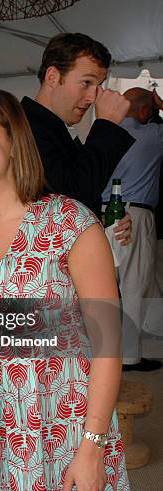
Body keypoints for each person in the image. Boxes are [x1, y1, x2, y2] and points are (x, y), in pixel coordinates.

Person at [0, 89, 128, 490]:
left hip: (65, 422)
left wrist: (92, 446)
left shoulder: (69, 222)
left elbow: (109, 345)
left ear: (13, 140)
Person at [21, 32, 133, 243]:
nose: (92, 97)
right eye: (86, 82)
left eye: (98, 85)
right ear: (53, 77)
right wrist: (106, 126)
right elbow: (72, 198)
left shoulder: (52, 128)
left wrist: (104, 221)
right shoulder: (24, 127)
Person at [101, 87, 163, 371]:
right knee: (133, 284)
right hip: (135, 214)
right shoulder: (152, 135)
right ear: (144, 111)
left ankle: (102, 350)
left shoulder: (105, 133)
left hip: (101, 213)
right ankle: (128, 357)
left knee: (106, 284)